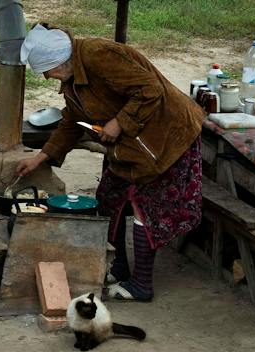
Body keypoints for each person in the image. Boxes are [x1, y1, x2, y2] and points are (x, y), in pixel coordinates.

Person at [13, 24, 205, 301]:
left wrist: (118, 122)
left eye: (48, 71)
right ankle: (119, 266)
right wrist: (41, 157)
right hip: (132, 144)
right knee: (109, 199)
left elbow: (150, 88)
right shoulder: (73, 77)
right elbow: (71, 121)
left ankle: (141, 285)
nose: (47, 77)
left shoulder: (100, 56)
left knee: (145, 206)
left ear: (61, 61)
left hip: (166, 138)